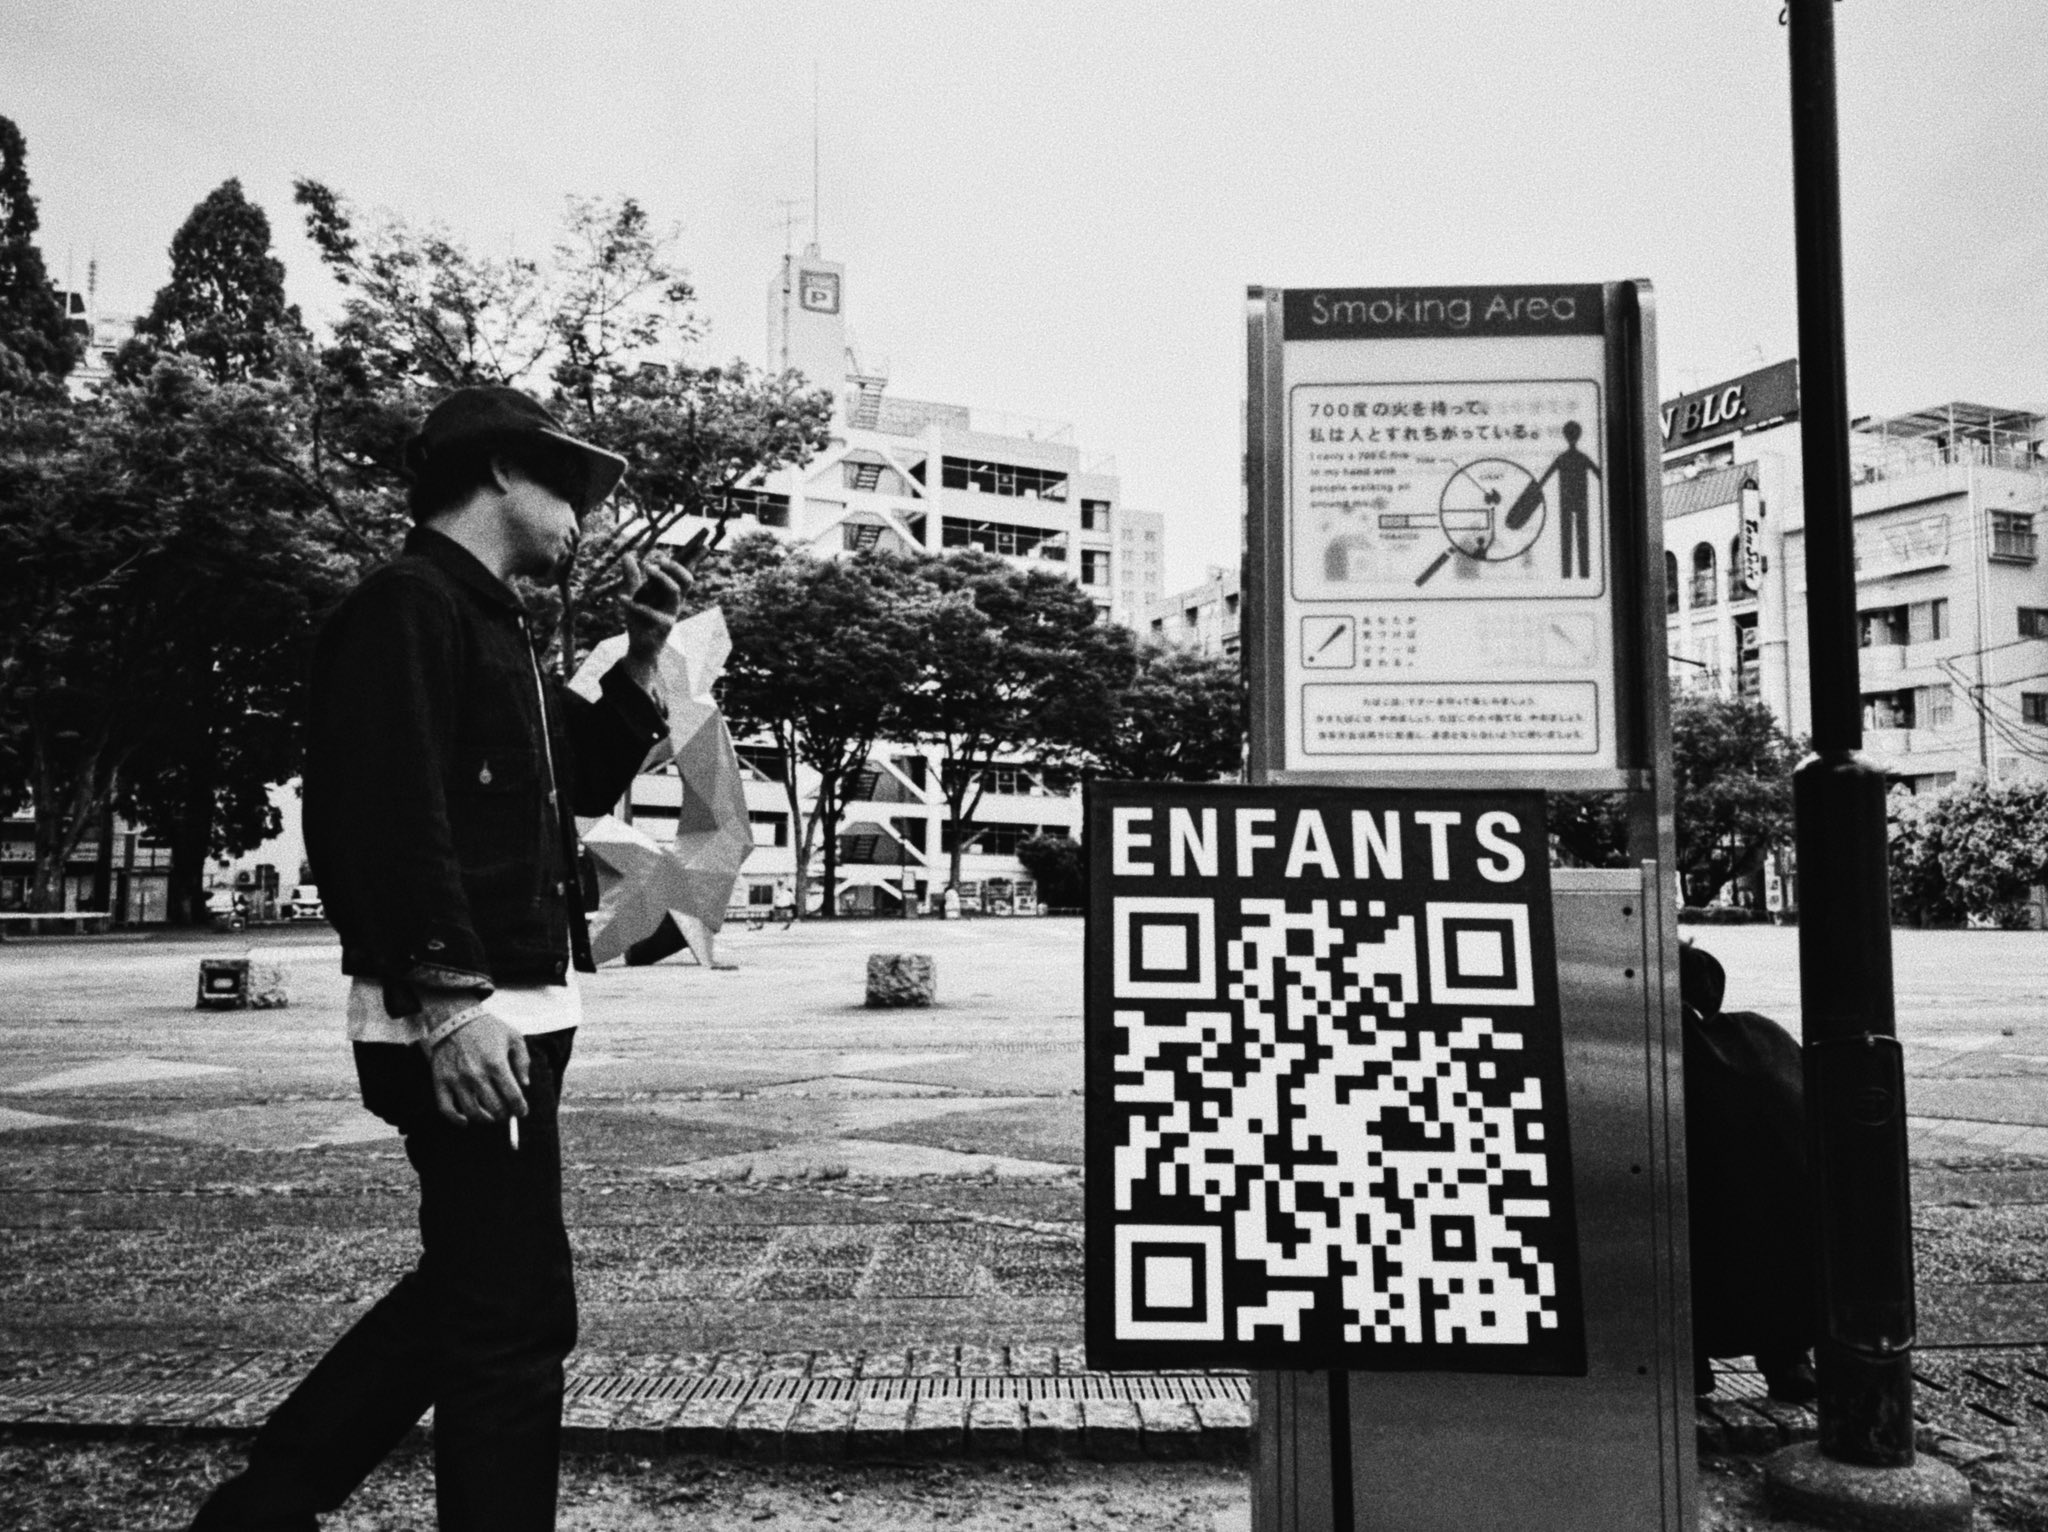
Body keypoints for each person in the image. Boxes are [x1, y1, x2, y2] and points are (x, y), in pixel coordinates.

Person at [190, 386, 688, 1531]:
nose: (583, 514)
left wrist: (642, 656)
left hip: (512, 1010)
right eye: (569, 484)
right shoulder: (406, 606)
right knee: (513, 1317)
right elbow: (380, 813)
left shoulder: (490, 622)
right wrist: (451, 1004)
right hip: (467, 1017)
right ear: (501, 469)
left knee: (476, 1291)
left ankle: (260, 1511)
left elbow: (576, 779)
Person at [1679, 940, 1819, 1404]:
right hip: (1783, 1234)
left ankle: (1686, 1361)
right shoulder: (1762, 1036)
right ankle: (1787, 1361)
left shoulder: (1653, 1048)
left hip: (1698, 1238)